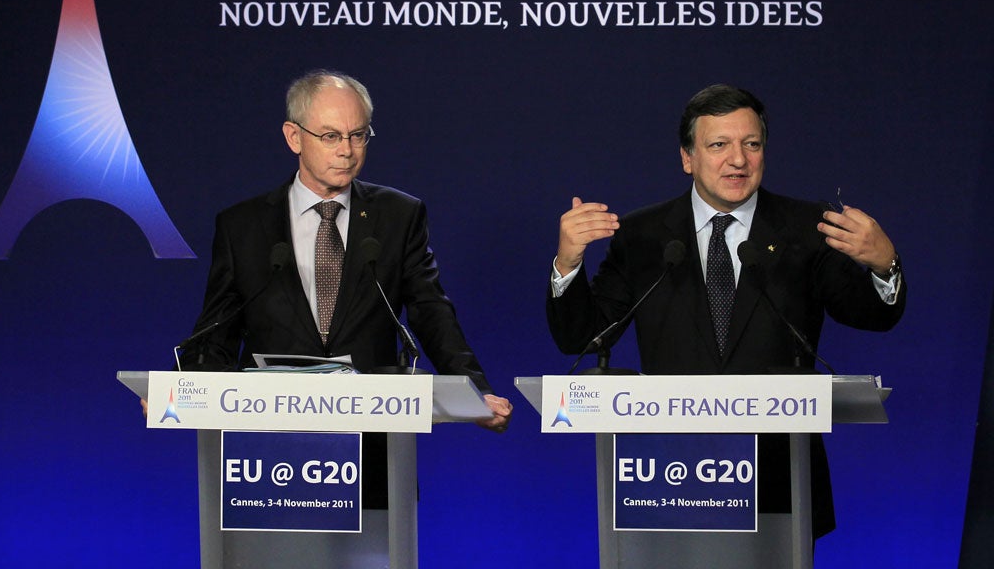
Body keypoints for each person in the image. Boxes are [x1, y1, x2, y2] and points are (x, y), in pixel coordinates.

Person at [546, 83, 905, 538]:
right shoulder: (643, 236)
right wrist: (568, 264)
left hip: (780, 483)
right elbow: (582, 337)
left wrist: (883, 265)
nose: (738, 159)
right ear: (687, 158)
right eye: (719, 145)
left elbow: (871, 315)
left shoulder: (805, 229)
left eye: (751, 144)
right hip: (669, 481)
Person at [173, 70, 511, 505]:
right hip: (269, 452)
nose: (347, 152)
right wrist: (182, 392)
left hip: (372, 445)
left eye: (358, 135)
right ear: (294, 137)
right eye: (331, 136)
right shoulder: (242, 226)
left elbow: (430, 311)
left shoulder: (398, 216)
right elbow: (217, 332)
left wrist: (474, 390)